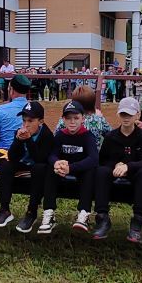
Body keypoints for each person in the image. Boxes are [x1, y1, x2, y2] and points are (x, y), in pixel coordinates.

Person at [93, 96, 142, 243]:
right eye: (123, 114)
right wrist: (116, 165)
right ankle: (102, 218)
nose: (126, 118)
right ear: (118, 114)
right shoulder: (110, 136)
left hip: (135, 171)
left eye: (130, 114)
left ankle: (138, 222)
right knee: (101, 172)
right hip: (116, 170)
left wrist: (128, 166)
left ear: (137, 115)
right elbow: (103, 160)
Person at [0, 100, 54, 233]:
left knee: (39, 168)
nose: (26, 124)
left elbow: (40, 159)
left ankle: (32, 212)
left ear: (40, 122)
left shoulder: (47, 135)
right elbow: (12, 156)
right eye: (24, 120)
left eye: (30, 121)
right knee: (6, 165)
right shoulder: (19, 132)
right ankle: (4, 209)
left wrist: (29, 140)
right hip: (24, 163)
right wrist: (18, 141)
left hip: (38, 167)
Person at [39, 100, 100, 233]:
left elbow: (94, 159)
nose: (72, 122)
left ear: (83, 119)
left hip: (80, 171)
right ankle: (49, 213)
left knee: (90, 171)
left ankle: (84, 213)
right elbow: (52, 154)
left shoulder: (87, 136)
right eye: (68, 118)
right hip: (62, 171)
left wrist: (71, 168)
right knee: (50, 168)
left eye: (76, 118)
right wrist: (56, 162)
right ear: (63, 119)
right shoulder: (61, 135)